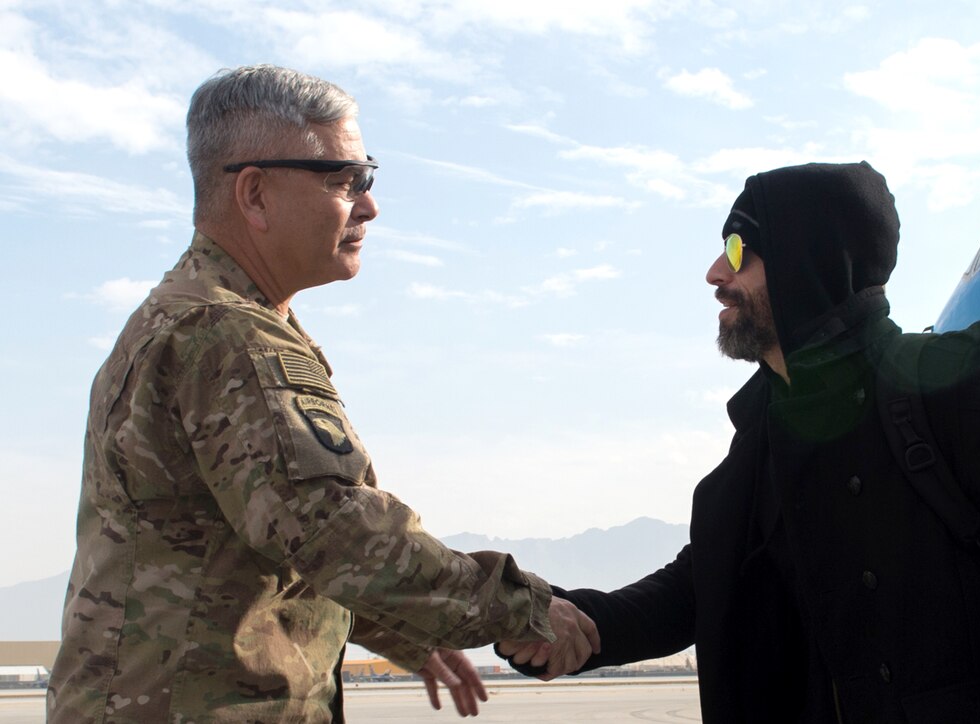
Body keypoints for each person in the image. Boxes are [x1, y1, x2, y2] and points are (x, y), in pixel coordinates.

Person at [48, 65, 598, 724]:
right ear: (254, 195)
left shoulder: (195, 316)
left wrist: (408, 634)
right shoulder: (228, 334)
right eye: (345, 180)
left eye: (367, 178)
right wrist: (523, 606)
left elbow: (265, 541)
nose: (368, 204)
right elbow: (332, 530)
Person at [499, 161, 980, 723]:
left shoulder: (948, 384)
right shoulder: (762, 443)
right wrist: (568, 620)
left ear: (807, 261)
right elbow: (694, 591)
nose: (715, 274)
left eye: (738, 250)